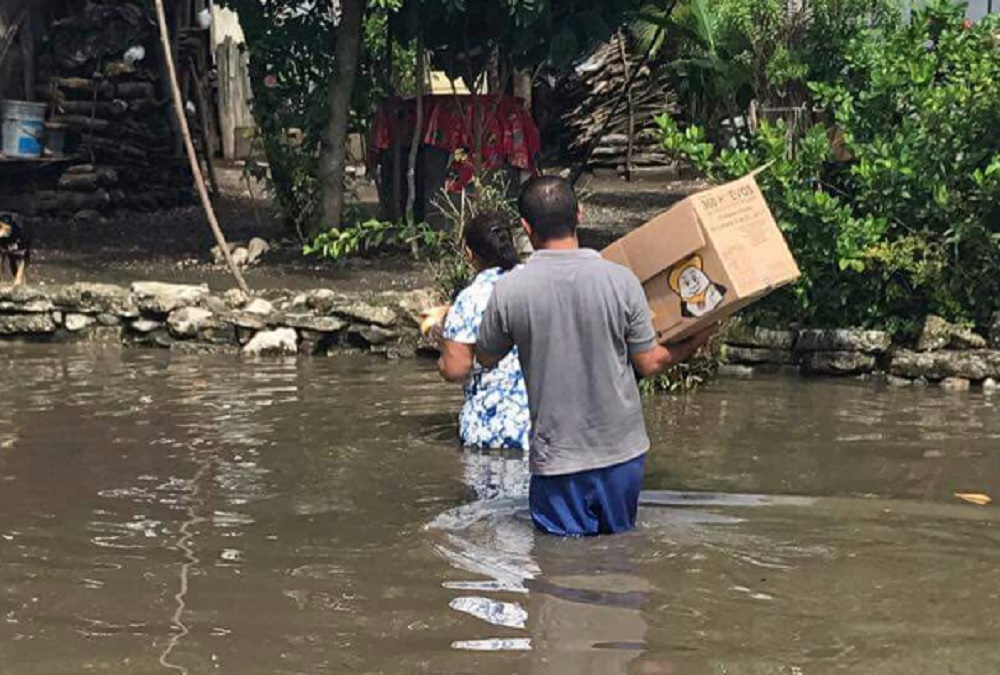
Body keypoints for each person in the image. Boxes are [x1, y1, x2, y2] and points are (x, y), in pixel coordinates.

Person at [475, 176, 714, 536]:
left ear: (526, 227)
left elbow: (486, 356)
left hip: (558, 458)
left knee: (559, 562)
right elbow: (649, 362)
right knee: (618, 554)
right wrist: (695, 341)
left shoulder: (509, 291)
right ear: (580, 214)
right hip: (622, 453)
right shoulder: (621, 281)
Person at [433, 211, 531, 451]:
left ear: (468, 253)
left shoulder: (470, 299)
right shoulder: (534, 282)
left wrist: (442, 341)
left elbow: (456, 369)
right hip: (543, 430)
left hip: (490, 434)